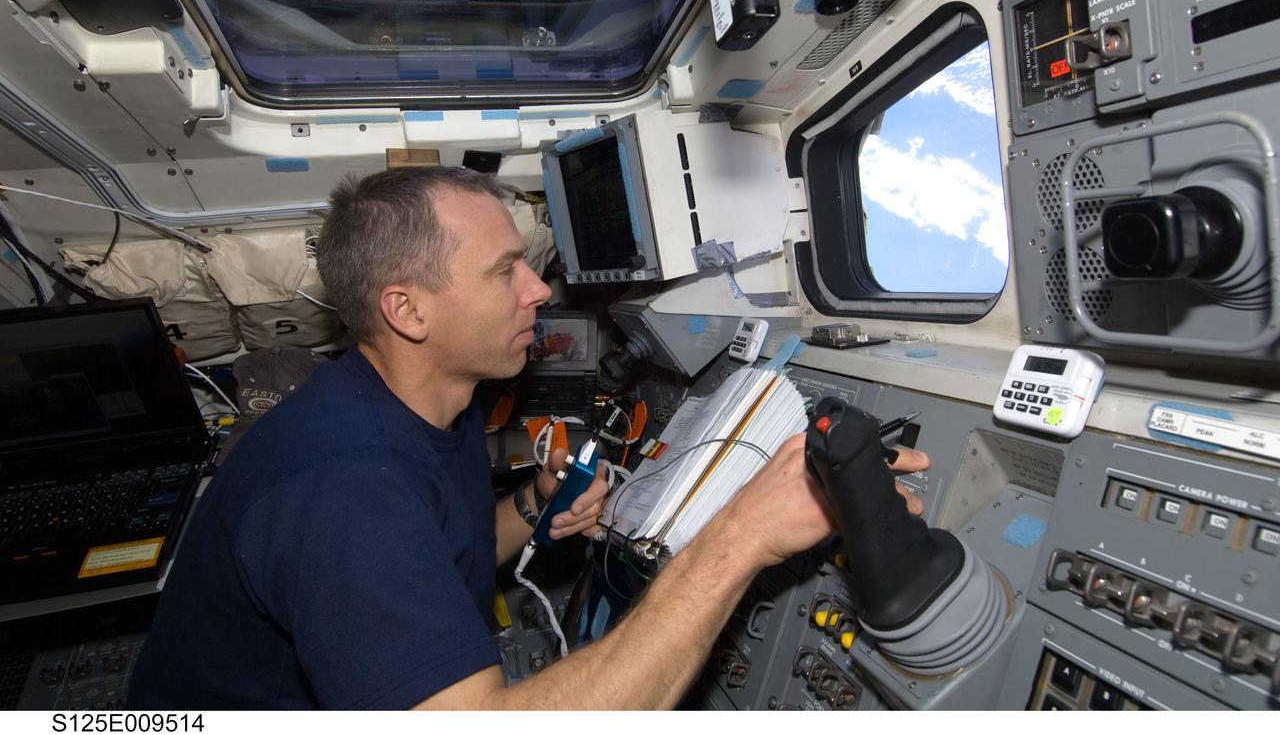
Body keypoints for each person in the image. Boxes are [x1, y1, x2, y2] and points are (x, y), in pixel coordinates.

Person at [129, 167, 929, 710]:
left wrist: (532, 507)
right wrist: (741, 537)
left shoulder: (417, 404)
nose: (539, 288)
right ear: (409, 311)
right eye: (504, 270)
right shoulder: (343, 489)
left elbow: (435, 539)